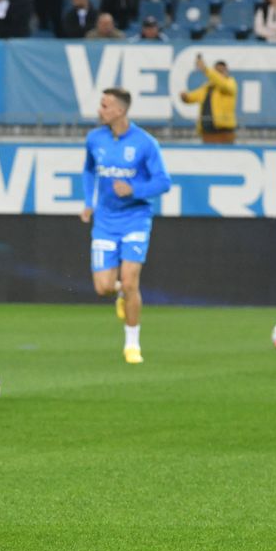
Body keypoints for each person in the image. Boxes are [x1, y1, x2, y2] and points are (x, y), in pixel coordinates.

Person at [80, 87, 171, 364]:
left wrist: (133, 189)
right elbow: (88, 170)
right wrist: (89, 202)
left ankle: (132, 344)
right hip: (106, 220)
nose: (100, 110)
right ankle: (119, 293)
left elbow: (163, 182)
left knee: (131, 281)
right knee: (103, 288)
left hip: (135, 218)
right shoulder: (95, 139)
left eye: (105, 105)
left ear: (120, 110)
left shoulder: (145, 143)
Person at [179, 54, 237, 144]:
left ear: (226, 71)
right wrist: (185, 97)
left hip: (224, 131)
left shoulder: (230, 83)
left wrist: (205, 69)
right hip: (208, 131)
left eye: (221, 71)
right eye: (216, 71)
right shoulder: (207, 87)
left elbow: (222, 84)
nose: (218, 74)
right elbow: (192, 97)